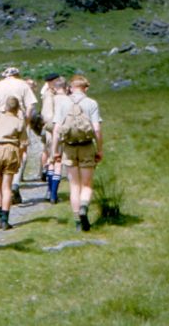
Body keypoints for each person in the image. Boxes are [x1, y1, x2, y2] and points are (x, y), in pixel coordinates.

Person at [50, 75, 103, 232]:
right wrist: (99, 148)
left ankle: (77, 222)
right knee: (87, 184)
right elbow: (97, 129)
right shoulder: (91, 103)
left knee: (74, 185)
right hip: (87, 146)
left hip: (69, 147)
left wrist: (55, 152)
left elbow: (56, 130)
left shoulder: (63, 103)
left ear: (71, 88)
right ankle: (84, 207)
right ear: (86, 88)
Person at [0, 67, 37, 204]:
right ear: (17, 75)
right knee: (21, 152)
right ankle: (15, 184)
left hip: (1, 121)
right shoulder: (23, 85)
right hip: (18, 120)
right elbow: (30, 106)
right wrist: (26, 121)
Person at [0, 96, 28, 230]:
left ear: (5, 108)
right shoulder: (19, 122)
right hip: (11, 149)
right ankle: (5, 220)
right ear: (18, 109)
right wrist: (19, 157)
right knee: (7, 186)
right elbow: (23, 144)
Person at [38, 72, 61, 184]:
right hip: (52, 126)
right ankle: (51, 189)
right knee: (54, 156)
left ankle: (45, 171)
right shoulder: (49, 94)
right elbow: (48, 114)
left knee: (48, 151)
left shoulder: (47, 91)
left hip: (49, 126)